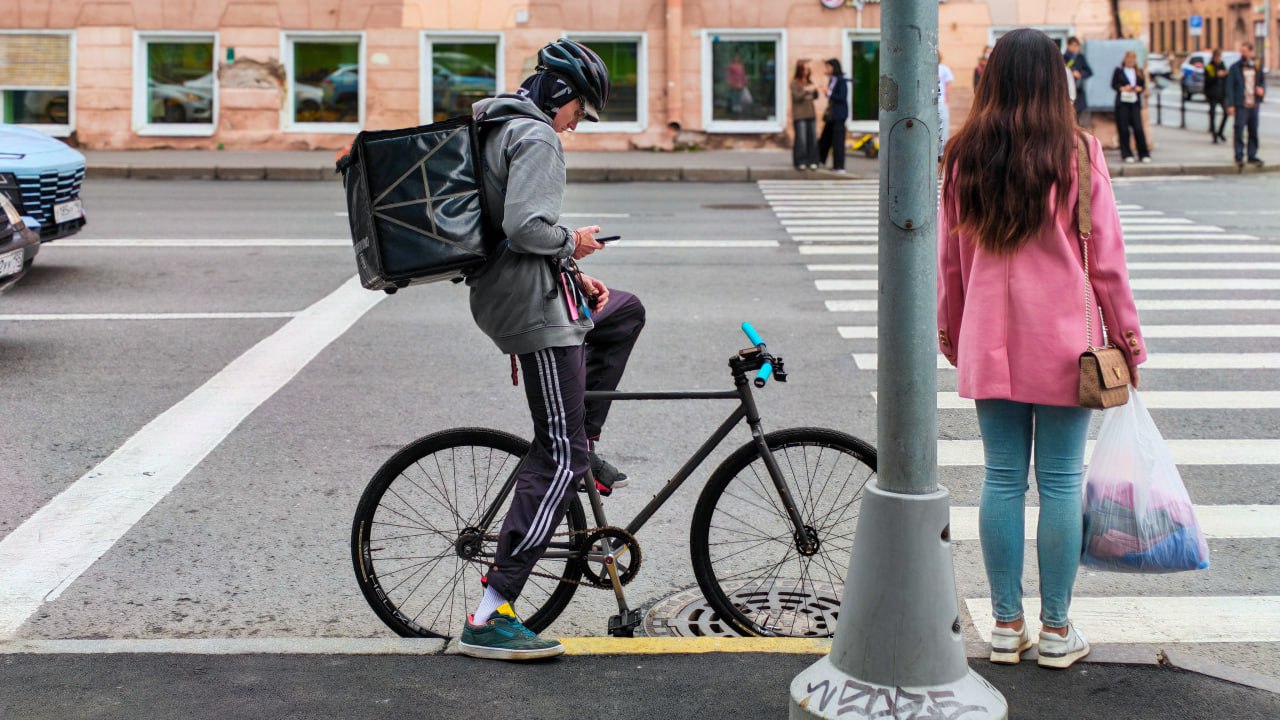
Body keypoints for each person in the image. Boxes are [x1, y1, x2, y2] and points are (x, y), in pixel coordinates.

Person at [938, 28, 1146, 670]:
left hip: (989, 339)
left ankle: (1005, 625)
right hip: (1066, 345)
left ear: (990, 79)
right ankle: (1057, 630)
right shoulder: (1078, 153)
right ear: (1057, 83)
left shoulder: (963, 154)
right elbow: (1106, 262)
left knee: (1001, 478)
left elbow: (949, 261)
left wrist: (950, 329)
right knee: (1060, 481)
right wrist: (1128, 339)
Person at [460, 38, 647, 661]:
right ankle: (492, 614)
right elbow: (526, 228)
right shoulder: (537, 136)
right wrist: (574, 243)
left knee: (622, 312)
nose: (578, 124)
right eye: (580, 111)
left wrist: (570, 270)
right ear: (561, 93)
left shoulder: (497, 122)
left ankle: (581, 446)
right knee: (558, 453)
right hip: (532, 310)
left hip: (533, 290)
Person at [1226, 41, 1266, 168]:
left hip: (1253, 103)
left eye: (1245, 51)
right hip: (1241, 104)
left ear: (1250, 52)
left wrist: (1261, 90)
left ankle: (1252, 155)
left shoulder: (1256, 67)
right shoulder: (1235, 67)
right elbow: (1230, 87)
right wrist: (1231, 104)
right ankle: (1239, 156)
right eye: (1241, 51)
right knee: (1239, 129)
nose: (1243, 54)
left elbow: (1262, 81)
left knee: (1253, 130)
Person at [1111, 51, 1150, 163]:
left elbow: (1142, 86)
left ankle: (1143, 153)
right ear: (1125, 59)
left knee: (1138, 128)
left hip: (1134, 102)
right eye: (1129, 59)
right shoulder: (1119, 70)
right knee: (1124, 129)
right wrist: (1122, 88)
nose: (1130, 61)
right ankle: (1126, 153)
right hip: (1122, 103)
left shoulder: (1138, 71)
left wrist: (1139, 89)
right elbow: (1114, 84)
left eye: (1133, 59)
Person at [817, 58, 849, 172]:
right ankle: (820, 160)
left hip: (839, 115)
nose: (826, 69)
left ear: (834, 68)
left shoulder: (841, 81)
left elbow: (841, 97)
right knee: (825, 138)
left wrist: (828, 93)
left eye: (828, 67)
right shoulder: (832, 80)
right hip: (832, 115)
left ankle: (839, 166)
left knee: (838, 142)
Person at [791, 59, 820, 170]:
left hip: (810, 114)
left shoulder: (809, 81)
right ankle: (800, 161)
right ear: (800, 70)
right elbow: (797, 97)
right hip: (799, 115)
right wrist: (806, 90)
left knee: (812, 138)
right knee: (801, 139)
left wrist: (815, 90)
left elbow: (815, 97)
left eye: (808, 69)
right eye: (804, 69)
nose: (806, 72)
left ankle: (813, 160)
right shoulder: (794, 83)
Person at [1063, 37, 1093, 125]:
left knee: (1078, 115)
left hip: (1078, 90)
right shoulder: (1063, 57)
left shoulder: (1080, 57)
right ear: (1068, 46)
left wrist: (1080, 74)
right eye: (1073, 45)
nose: (1076, 48)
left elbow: (1089, 72)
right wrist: (1070, 73)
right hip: (1067, 91)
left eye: (1077, 45)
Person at [1204, 48, 1229, 144]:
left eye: (1220, 57)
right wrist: (1216, 75)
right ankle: (1214, 135)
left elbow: (1227, 79)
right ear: (1214, 57)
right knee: (1213, 115)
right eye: (1217, 57)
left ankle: (1220, 132)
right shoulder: (1209, 67)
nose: (1219, 59)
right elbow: (1207, 81)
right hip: (1212, 94)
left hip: (1222, 94)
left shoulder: (1223, 66)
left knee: (1226, 113)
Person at [938, 52, 954, 160]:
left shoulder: (944, 69)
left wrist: (947, 100)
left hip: (941, 102)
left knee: (943, 127)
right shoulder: (926, 68)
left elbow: (948, 85)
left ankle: (942, 152)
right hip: (930, 103)